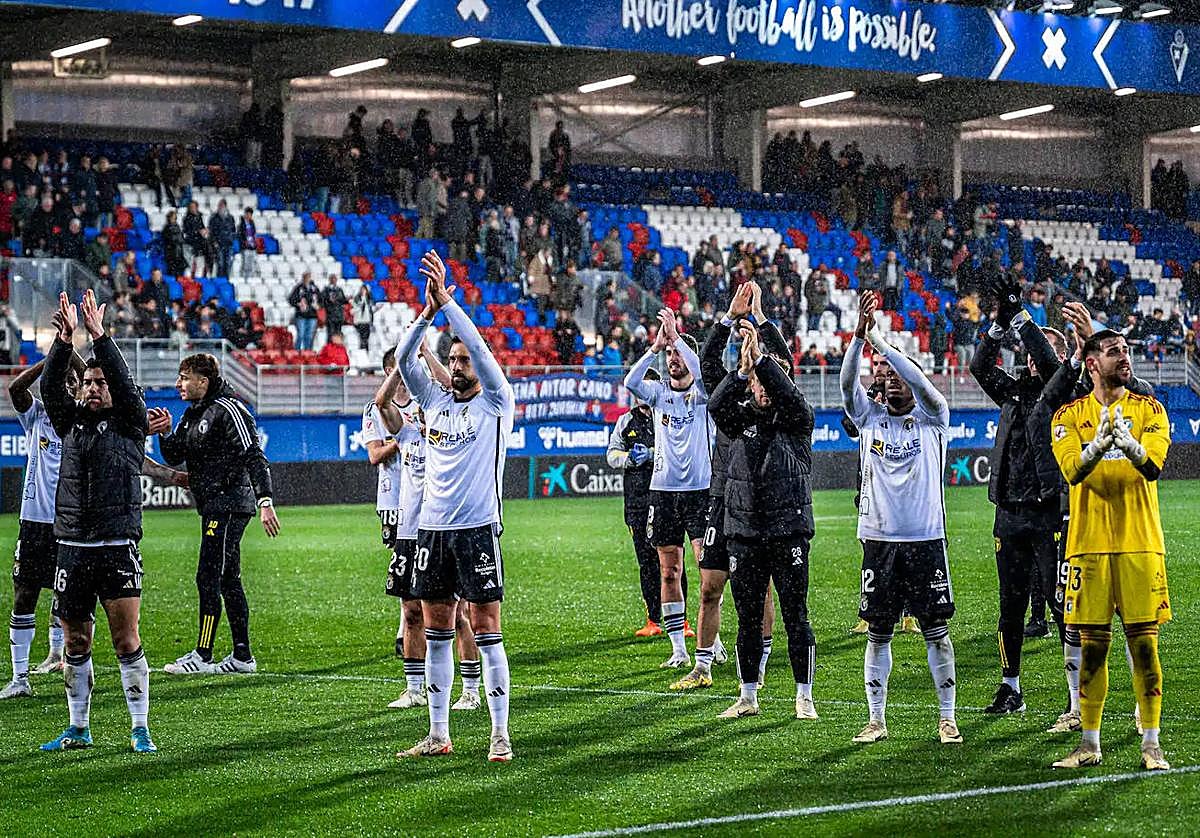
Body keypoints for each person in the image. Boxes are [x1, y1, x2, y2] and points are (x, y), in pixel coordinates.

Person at [394, 250, 515, 762]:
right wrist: (426, 315)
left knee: (487, 629)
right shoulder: (436, 402)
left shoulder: (496, 401)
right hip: (433, 532)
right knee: (437, 629)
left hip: (478, 530)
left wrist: (449, 301)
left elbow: (485, 353)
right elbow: (403, 360)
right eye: (456, 360)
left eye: (466, 360)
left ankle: (499, 734)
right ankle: (439, 734)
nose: (461, 366)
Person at [840, 290, 961, 746]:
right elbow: (847, 385)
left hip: (926, 539)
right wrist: (858, 340)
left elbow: (921, 382)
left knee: (936, 631)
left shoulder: (935, 418)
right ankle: (876, 719)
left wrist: (884, 346)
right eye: (882, 374)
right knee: (879, 633)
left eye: (894, 374)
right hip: (879, 541)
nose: (887, 380)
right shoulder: (869, 420)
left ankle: (947, 717)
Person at [40, 290, 156, 753]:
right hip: (71, 544)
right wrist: (64, 343)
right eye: (87, 382)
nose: (92, 388)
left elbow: (126, 388)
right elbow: (51, 389)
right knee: (75, 640)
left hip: (116, 544)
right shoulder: (70, 423)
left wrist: (101, 338)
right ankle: (78, 727)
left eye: (100, 382)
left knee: (126, 638)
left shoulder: (131, 421)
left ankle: (140, 728)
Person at [1049, 330, 1172, 771]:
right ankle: (1089, 744)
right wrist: (1098, 446)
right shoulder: (1068, 415)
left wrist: (1130, 444)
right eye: (1114, 351)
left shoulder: (1149, 409)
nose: (1124, 357)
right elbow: (1071, 470)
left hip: (1140, 543)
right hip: (1088, 546)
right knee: (1093, 649)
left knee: (1144, 647)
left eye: (1126, 350)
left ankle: (1152, 744)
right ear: (1090, 363)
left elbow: (1153, 466)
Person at [970, 275, 1076, 716]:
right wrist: (998, 325)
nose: (1033, 356)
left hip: (1050, 513)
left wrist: (1023, 318)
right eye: (1031, 351)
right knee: (1010, 605)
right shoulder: (1013, 390)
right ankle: (1010, 686)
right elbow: (979, 368)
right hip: (1009, 514)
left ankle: (1076, 697)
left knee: (1060, 604)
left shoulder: (1064, 394)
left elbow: (1052, 366)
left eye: (1043, 350)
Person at [709, 318, 817, 720]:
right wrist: (741, 371)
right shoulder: (740, 419)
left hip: (787, 531)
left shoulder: (796, 419)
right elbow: (715, 405)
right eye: (757, 382)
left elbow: (789, 394)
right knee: (748, 618)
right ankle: (747, 696)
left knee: (795, 615)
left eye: (768, 381)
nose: (763, 388)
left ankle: (803, 695)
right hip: (745, 533)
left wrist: (762, 361)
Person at [149, 353, 278, 675]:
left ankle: (203, 655)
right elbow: (176, 454)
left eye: (184, 377)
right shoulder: (193, 413)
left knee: (208, 576)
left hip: (230, 504)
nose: (178, 384)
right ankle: (242, 657)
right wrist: (164, 433)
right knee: (228, 579)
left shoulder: (229, 409)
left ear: (202, 382)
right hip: (213, 505)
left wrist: (265, 500)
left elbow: (254, 455)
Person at [373, 347, 483, 712]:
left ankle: (470, 691)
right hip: (409, 533)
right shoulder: (405, 437)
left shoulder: (451, 434)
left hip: (443, 529)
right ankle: (414, 688)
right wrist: (402, 364)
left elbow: (445, 382)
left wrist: (428, 356)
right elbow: (381, 401)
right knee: (411, 611)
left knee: (461, 612)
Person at [623, 308, 713, 672]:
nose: (673, 360)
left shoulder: (705, 395)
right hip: (662, 493)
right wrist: (655, 348)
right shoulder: (658, 394)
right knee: (668, 572)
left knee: (708, 574)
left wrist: (677, 338)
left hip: (700, 492)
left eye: (678, 354)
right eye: (670, 355)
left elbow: (704, 372)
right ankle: (678, 649)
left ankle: (713, 638)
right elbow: (631, 382)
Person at [1, 359, 83, 699]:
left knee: (67, 596)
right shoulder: (36, 415)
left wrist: (67, 349)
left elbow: (91, 371)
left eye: (73, 382)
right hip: (34, 522)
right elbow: (15, 388)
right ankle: (20, 679)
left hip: (70, 522)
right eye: (61, 381)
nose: (68, 386)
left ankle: (59, 657)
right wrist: (51, 360)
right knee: (25, 594)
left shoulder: (83, 419)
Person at [607, 370, 661, 637]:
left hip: (664, 497)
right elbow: (611, 454)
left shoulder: (666, 416)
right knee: (647, 561)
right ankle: (653, 619)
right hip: (637, 502)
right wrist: (628, 458)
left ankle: (682, 620)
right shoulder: (625, 421)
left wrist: (652, 454)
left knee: (671, 559)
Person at [288, 272, 321, 352]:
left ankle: (308, 352)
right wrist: (298, 304)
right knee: (301, 335)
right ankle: (297, 352)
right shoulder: (298, 288)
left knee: (309, 336)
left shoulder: (315, 288)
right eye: (305, 277)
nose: (307, 279)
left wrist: (318, 305)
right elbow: (291, 299)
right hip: (301, 316)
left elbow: (321, 300)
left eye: (308, 277)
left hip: (312, 316)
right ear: (303, 278)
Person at [321, 274, 347, 341]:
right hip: (330, 316)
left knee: (338, 334)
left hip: (339, 315)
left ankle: (337, 349)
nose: (333, 280)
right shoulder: (326, 290)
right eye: (332, 279)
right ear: (329, 280)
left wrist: (346, 300)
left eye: (335, 279)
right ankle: (330, 349)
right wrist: (329, 301)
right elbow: (322, 301)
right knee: (331, 335)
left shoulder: (339, 290)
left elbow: (343, 301)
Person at [237, 208, 258, 278]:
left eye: (250, 214)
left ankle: (250, 280)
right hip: (245, 248)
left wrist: (255, 243)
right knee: (245, 265)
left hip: (252, 247)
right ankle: (243, 279)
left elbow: (254, 234)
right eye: (248, 214)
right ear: (245, 214)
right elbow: (239, 236)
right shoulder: (241, 224)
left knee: (251, 266)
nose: (249, 215)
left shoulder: (252, 223)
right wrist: (244, 243)